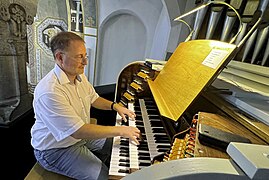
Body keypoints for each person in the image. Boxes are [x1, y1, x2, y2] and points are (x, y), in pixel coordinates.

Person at [30, 31, 141, 180]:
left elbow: (94, 99)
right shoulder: (49, 91)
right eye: (79, 57)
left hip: (79, 137)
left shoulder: (79, 75)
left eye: (85, 56)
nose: (85, 62)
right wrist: (121, 130)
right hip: (55, 150)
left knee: (120, 145)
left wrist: (116, 106)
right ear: (60, 57)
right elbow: (77, 131)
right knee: (103, 176)